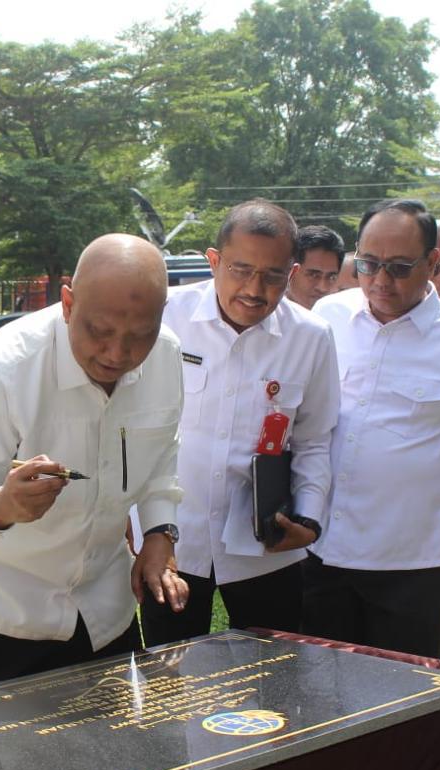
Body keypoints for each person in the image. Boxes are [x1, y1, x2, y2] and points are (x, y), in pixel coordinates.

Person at [0, 234, 188, 691]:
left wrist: (160, 534)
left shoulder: (166, 355)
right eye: (99, 331)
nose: (117, 354)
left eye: (139, 336)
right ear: (68, 303)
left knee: (120, 753)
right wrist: (3, 506)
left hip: (104, 605)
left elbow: (162, 457)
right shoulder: (8, 366)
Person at [305, 199, 440, 659]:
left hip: (412, 563)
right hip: (320, 548)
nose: (381, 281)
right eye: (369, 265)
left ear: (433, 263)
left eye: (400, 268)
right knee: (320, 694)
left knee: (402, 699)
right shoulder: (327, 319)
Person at [141, 200, 339, 645]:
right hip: (172, 540)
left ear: (291, 273)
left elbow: (314, 439)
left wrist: (308, 516)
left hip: (266, 547)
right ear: (214, 262)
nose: (255, 288)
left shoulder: (311, 337)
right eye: (241, 269)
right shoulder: (165, 316)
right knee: (168, 676)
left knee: (273, 681)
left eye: (272, 275)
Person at [284, 224, 345, 310]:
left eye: (331, 277)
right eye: (313, 275)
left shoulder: (344, 318)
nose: (322, 288)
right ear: (290, 271)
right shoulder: (265, 317)